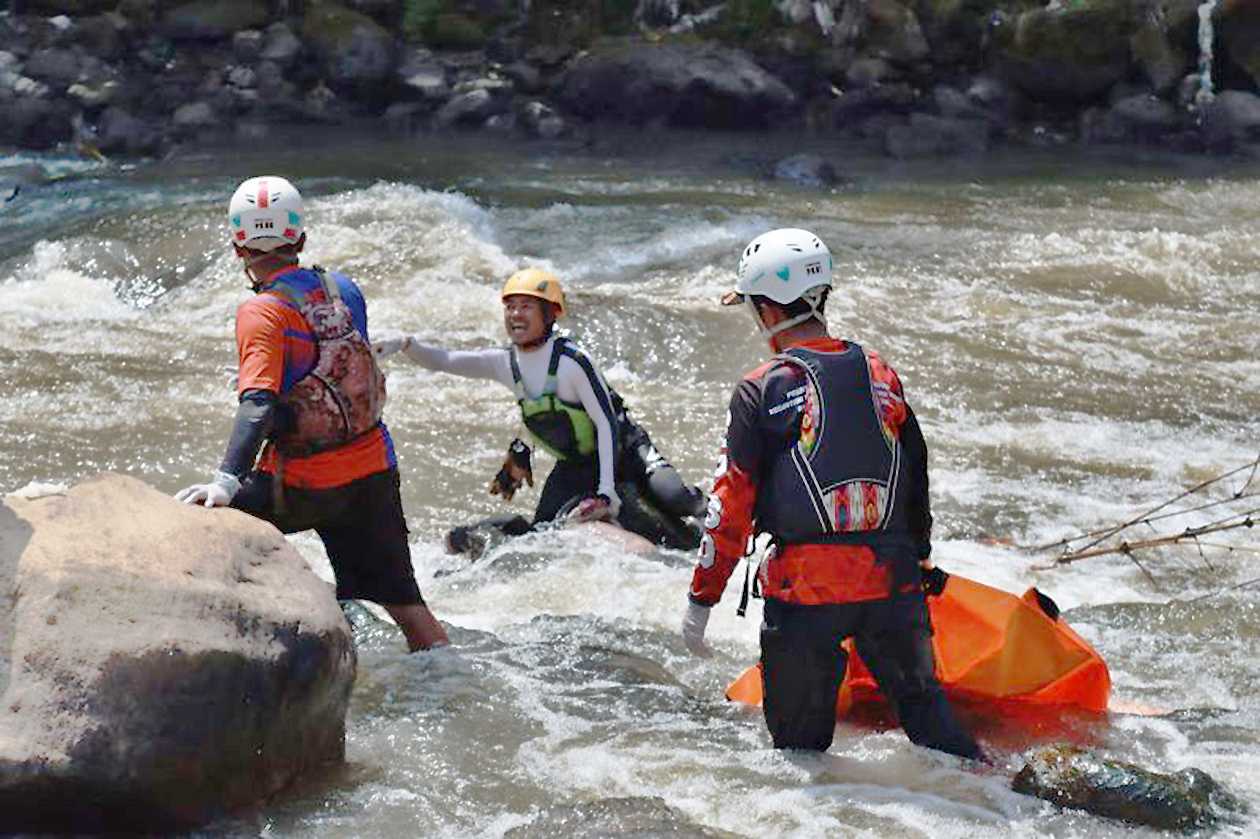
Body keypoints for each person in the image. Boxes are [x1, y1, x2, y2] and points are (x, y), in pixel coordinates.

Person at [679, 228, 981, 759]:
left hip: (806, 595)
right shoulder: (881, 371)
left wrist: (702, 600)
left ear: (769, 312)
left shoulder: (761, 387)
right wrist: (920, 556)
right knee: (937, 735)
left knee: (800, 760)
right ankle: (1006, 796)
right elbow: (915, 468)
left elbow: (731, 506)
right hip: (893, 584)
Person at [175, 175, 448, 652]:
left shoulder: (262, 312)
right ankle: (447, 675)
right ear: (299, 239)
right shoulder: (344, 290)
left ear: (238, 248)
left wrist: (225, 482)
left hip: (300, 484)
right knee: (405, 603)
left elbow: (257, 402)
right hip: (370, 470)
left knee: (192, 529)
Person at [373, 268, 707, 552]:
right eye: (511, 306)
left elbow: (606, 424)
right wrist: (406, 345)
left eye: (527, 307)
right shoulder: (504, 362)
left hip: (626, 448)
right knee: (542, 537)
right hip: (574, 467)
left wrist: (607, 491)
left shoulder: (572, 362)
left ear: (550, 314)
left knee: (674, 495)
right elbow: (445, 361)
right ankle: (472, 538)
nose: (516, 314)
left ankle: (718, 522)